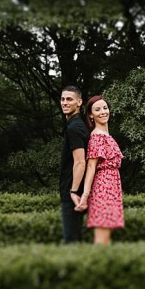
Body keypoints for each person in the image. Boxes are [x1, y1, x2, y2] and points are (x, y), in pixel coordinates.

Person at [75, 95, 124, 245]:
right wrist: (85, 196)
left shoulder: (107, 135)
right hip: (103, 189)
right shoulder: (96, 137)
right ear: (91, 114)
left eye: (105, 108)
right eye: (97, 109)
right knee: (102, 238)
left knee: (107, 238)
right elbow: (91, 167)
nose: (103, 112)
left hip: (113, 188)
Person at [58, 85, 89, 244]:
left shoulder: (74, 128)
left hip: (73, 193)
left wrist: (73, 191)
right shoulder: (79, 125)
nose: (64, 102)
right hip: (79, 190)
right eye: (62, 99)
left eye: (69, 99)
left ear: (79, 102)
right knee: (76, 239)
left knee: (71, 240)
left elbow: (80, 162)